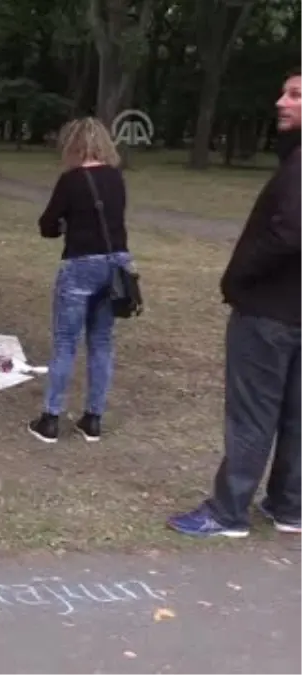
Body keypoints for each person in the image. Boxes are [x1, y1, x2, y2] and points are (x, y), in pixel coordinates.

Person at [168, 69, 302, 538]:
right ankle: (289, 506)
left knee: (253, 413)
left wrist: (238, 276)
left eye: (295, 95)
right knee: (295, 412)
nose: (281, 102)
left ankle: (229, 512)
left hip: (269, 314)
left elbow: (289, 234)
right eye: (284, 91)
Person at [27, 117, 134, 444]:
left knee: (65, 342)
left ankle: (51, 417)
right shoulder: (116, 178)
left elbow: (47, 224)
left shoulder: (72, 180)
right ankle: (93, 417)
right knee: (101, 341)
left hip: (80, 263)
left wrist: (64, 226)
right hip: (115, 263)